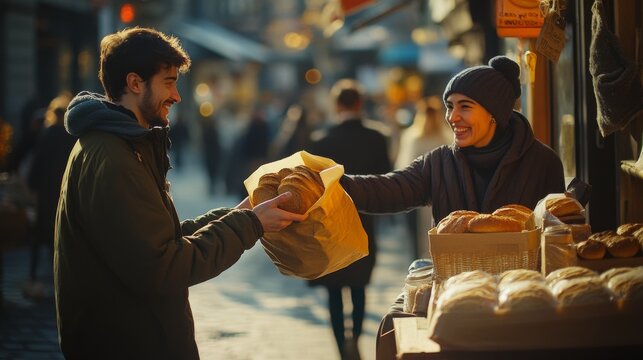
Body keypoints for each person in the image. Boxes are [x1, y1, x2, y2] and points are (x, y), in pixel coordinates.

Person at [54, 27, 306, 359]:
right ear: (134, 83)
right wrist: (250, 225)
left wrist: (241, 213)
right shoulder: (113, 158)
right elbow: (165, 266)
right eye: (169, 83)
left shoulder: (122, 146)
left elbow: (157, 240)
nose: (177, 96)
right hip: (130, 343)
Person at [341, 55, 565, 235]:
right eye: (449, 106)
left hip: (523, 288)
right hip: (456, 289)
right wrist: (329, 184)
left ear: (494, 114)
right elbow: (388, 190)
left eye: (465, 107)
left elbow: (560, 232)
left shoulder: (543, 162)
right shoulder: (439, 163)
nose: (452, 117)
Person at [306, 79, 392, 360]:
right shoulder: (377, 137)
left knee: (333, 291)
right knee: (359, 287)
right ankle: (354, 340)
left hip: (330, 226)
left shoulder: (321, 141)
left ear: (336, 105)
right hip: (364, 223)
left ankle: (340, 350)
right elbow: (387, 180)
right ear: (359, 103)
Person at [24, 92, 76, 299]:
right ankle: (65, 280)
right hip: (68, 196)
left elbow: (36, 170)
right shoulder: (74, 138)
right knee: (65, 239)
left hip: (47, 196)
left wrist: (32, 185)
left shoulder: (46, 137)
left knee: (40, 238)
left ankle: (34, 277)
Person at [394, 96, 450, 259]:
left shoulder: (412, 137)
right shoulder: (447, 136)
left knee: (420, 243)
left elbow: (403, 167)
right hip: (443, 194)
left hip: (419, 195)